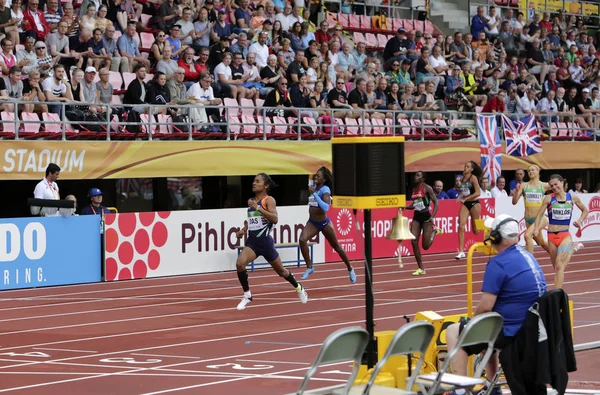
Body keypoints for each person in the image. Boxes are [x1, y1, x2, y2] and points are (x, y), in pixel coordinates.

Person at [444, 214, 547, 395]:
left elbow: (485, 306)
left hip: (513, 332)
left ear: (497, 237)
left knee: (454, 331)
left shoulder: (498, 263)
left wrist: (473, 320)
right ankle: (493, 386)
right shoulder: (528, 256)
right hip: (533, 328)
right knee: (488, 326)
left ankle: (460, 391)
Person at [235, 173, 308, 310]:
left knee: (282, 272)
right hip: (253, 243)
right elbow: (253, 222)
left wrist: (258, 208)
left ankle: (298, 287)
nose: (254, 183)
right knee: (240, 264)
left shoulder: (268, 200)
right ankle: (247, 295)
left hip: (266, 243)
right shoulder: (251, 200)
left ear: (266, 185)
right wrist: (243, 230)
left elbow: (274, 219)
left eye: (257, 181)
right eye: (253, 181)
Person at [299, 167, 356, 283]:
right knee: (302, 240)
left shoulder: (325, 190)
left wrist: (314, 194)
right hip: (312, 222)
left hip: (324, 223)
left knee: (337, 247)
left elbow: (325, 207)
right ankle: (310, 267)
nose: (316, 177)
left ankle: (350, 268)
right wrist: (312, 193)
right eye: (315, 175)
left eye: (318, 176)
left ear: (324, 179)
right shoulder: (313, 188)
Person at [533, 174, 587, 289]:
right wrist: (536, 228)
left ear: (562, 183)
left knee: (559, 266)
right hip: (551, 236)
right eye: (551, 185)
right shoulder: (548, 198)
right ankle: (572, 249)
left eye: (556, 184)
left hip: (564, 235)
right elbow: (539, 215)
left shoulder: (572, 197)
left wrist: (579, 221)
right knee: (557, 268)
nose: (554, 187)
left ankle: (557, 295)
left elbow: (585, 210)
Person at [405, 171, 440, 276]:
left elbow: (436, 202)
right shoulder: (414, 189)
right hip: (416, 217)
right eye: (415, 175)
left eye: (418, 175)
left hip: (426, 217)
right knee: (413, 241)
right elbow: (415, 204)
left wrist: (432, 216)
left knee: (425, 246)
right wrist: (405, 207)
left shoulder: (427, 188)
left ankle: (434, 231)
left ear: (423, 178)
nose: (415, 177)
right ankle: (421, 268)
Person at [511, 164, 550, 254]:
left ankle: (530, 262)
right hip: (528, 219)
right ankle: (555, 255)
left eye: (533, 170)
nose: (530, 172)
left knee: (527, 236)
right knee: (541, 242)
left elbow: (558, 188)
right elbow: (514, 202)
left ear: (538, 171)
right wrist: (517, 191)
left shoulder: (544, 185)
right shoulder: (524, 186)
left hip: (540, 219)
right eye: (529, 171)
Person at [455, 161, 483, 259]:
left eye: (467, 167)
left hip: (475, 204)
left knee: (476, 231)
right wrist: (460, 196)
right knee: (461, 225)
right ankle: (461, 251)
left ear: (471, 169)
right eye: (465, 166)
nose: (465, 168)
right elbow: (465, 191)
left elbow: (478, 193)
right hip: (466, 204)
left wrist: (466, 199)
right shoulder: (462, 178)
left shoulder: (473, 178)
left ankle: (488, 226)